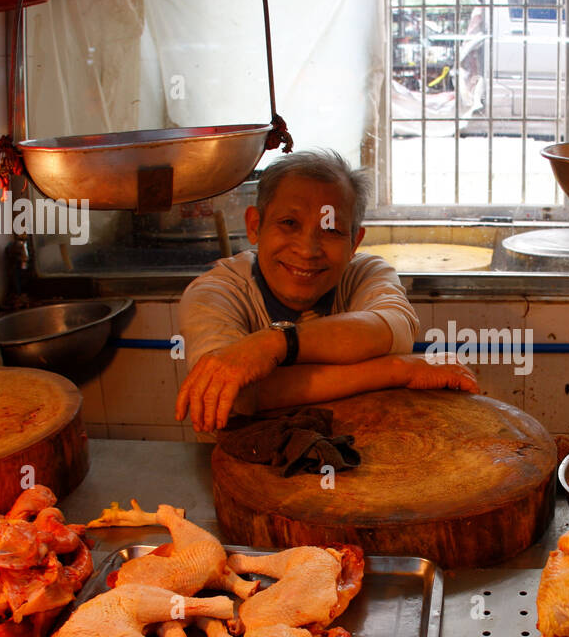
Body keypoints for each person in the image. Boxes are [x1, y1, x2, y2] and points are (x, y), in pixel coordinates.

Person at [176, 149, 477, 432]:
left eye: (331, 230)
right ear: (255, 225)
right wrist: (398, 370)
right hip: (242, 475)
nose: (308, 250)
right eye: (289, 223)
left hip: (354, 464)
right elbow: (238, 395)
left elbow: (395, 330)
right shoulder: (215, 292)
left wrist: (272, 345)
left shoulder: (365, 272)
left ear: (354, 242)